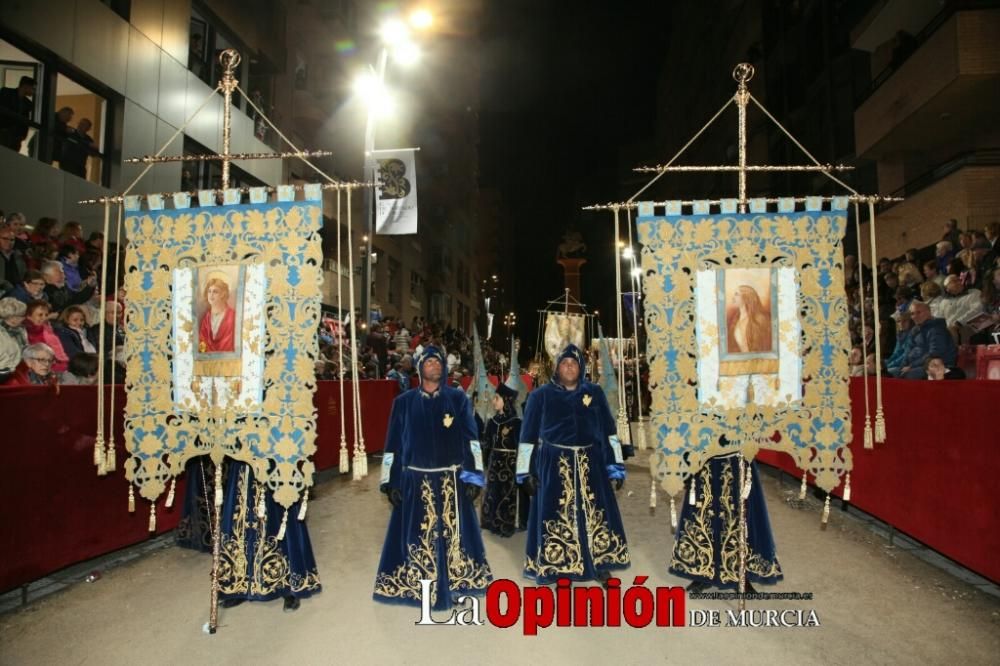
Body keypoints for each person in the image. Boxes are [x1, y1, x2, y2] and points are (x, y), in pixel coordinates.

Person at [374, 346, 492, 610]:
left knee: (456, 537)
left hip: (452, 480)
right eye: (428, 361)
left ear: (444, 368)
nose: (434, 365)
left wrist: (474, 477)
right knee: (417, 536)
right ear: (419, 367)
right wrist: (388, 482)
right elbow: (392, 446)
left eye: (438, 361)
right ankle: (419, 585)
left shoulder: (458, 400)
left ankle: (459, 583)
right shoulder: (402, 403)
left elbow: (472, 441)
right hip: (416, 481)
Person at [517, 344, 630, 584]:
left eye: (574, 363)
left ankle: (599, 563)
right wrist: (524, 472)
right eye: (564, 363)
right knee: (557, 516)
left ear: (581, 367)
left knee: (594, 515)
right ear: (557, 367)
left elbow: (609, 432)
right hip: (553, 465)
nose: (569, 367)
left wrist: (616, 466)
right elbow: (526, 437)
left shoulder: (595, 393)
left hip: (591, 465)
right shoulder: (540, 395)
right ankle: (558, 567)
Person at [672, 441, 783, 593]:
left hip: (736, 459)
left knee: (740, 518)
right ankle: (702, 572)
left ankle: (741, 574)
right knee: (702, 515)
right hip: (704, 458)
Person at [216, 459, 321, 611]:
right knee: (240, 519)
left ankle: (289, 586)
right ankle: (239, 586)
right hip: (243, 458)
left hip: (275, 458)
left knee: (279, 520)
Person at [480, 378, 529, 537]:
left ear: (506, 400)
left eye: (497, 398)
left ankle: (508, 523)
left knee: (508, 493)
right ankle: (492, 521)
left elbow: (522, 447)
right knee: (494, 491)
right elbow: (487, 443)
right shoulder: (492, 421)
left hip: (510, 464)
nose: (494, 401)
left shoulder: (516, 423)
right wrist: (485, 461)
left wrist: (522, 468)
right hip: (495, 464)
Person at [899, 300, 957, 379]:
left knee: (908, 375)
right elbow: (908, 351)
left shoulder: (937, 329)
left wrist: (912, 366)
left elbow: (935, 353)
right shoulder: (914, 330)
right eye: (912, 314)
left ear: (929, 312)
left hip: (938, 366)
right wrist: (903, 365)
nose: (915, 316)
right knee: (891, 373)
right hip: (915, 365)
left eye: (919, 312)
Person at [23, 300, 69, 373]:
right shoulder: (30, 332)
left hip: (60, 364)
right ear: (29, 316)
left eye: (46, 315)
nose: (44, 318)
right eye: (40, 315)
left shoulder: (46, 328)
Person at [726, 284, 772, 354]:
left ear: (746, 298)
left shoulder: (760, 319)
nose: (733, 298)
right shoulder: (734, 320)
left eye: (736, 294)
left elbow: (762, 346)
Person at [198, 275, 236, 353]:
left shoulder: (232, 316)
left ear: (223, 294)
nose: (211, 295)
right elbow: (202, 343)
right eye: (209, 291)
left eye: (215, 291)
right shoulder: (206, 318)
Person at [0, 76, 36, 151]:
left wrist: (22, 136)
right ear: (26, 86)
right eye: (33, 88)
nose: (34, 91)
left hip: (16, 138)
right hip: (3, 132)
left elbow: (25, 121)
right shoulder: (6, 92)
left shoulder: (28, 103)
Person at [0, 297, 27, 381]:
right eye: (11, 316)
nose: (15, 319)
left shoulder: (21, 331)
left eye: (20, 316)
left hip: (15, 371)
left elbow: (25, 351)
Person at [0, 223, 27, 294]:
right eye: (5, 238)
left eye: (12, 240)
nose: (9, 242)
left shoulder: (18, 256)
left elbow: (24, 276)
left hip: (17, 292)